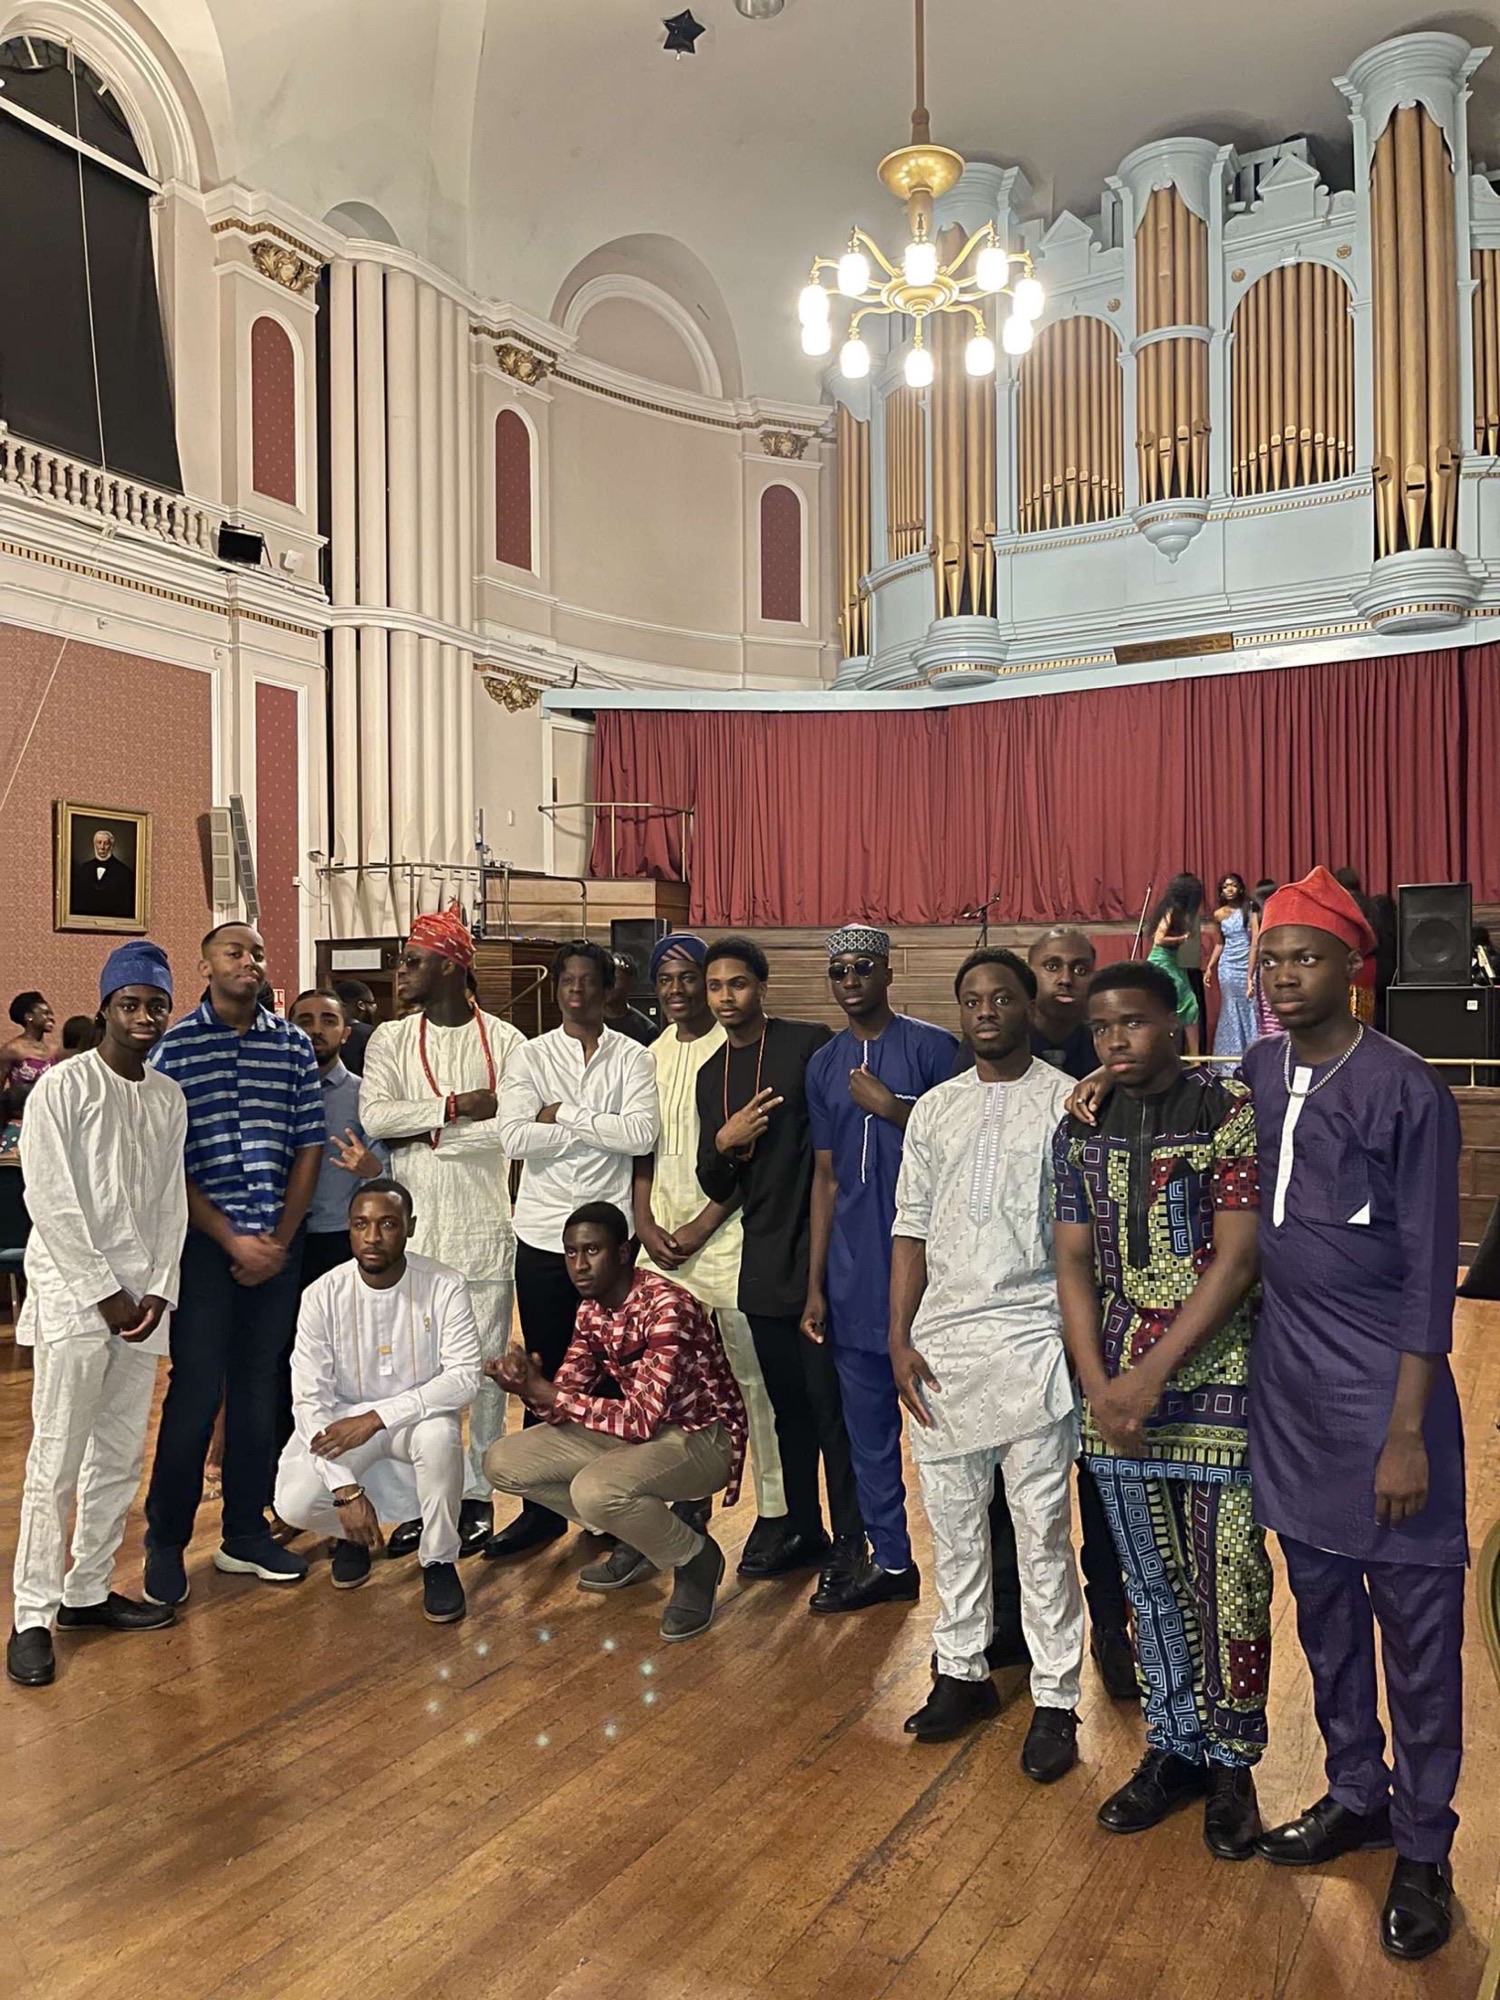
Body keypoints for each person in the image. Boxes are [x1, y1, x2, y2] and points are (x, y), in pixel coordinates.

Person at [1243, 867, 1466, 1963]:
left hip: (1385, 1388)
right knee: (1323, 1611)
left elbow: (1432, 1271)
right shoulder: (1255, 1064)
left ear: (1354, 968)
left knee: (1418, 1633)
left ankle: (1426, 1843)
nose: (1283, 975)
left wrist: (1410, 1428)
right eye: (1270, 956)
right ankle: (1355, 1790)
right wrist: (1092, 1085)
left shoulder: (1406, 1086)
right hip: (1289, 1387)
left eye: (1306, 956)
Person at [1054, 959, 1271, 1861]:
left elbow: (1237, 1258)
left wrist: (1149, 1378)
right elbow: (1071, 1259)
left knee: (1232, 1580)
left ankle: (1233, 1764)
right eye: (1103, 1029)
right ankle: (1174, 1748)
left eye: (1134, 1023)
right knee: (1149, 1581)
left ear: (1175, 1021)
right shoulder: (1082, 1122)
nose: (1116, 1041)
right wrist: (1098, 1379)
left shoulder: (1226, 1114)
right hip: (1111, 1388)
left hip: (1215, 1377)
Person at [890, 950, 1085, 1780]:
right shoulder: (934, 1110)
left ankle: (1055, 1700)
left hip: (1034, 1337)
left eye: (1003, 996)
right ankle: (962, 1671)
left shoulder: (1064, 1103)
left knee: (1041, 1532)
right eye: (972, 999)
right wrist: (898, 1338)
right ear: (959, 1011)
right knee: (957, 1528)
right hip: (942, 1350)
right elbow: (911, 1230)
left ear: (1027, 1004)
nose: (987, 1010)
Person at [6, 942, 187, 1689]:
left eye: (156, 1005)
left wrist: (160, 1291)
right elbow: (48, 1198)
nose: (144, 1018)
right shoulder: (62, 1087)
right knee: (57, 1456)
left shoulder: (167, 1096)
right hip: (77, 1302)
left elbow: (169, 1203)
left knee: (117, 1455)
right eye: (131, 1004)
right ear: (107, 1005)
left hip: (143, 1306)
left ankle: (86, 1591)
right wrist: (102, 1291)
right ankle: (31, 1614)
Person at [141, 922, 325, 1606]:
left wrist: (276, 1238)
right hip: (202, 1247)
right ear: (205, 964)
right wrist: (230, 1238)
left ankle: (245, 1531)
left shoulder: (293, 1045)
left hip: (277, 1246)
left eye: (257, 951)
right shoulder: (174, 1049)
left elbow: (308, 1146)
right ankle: (165, 1540)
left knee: (257, 1393)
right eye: (233, 951)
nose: (249, 960)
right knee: (195, 1396)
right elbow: (168, 1164)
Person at [485, 1202, 747, 1641]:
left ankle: (694, 1559)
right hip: (642, 1436)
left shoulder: (667, 1308)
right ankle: (642, 1536)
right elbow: (567, 1396)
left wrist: (550, 1393)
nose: (579, 1265)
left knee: (595, 1491)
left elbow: (641, 1420)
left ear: (624, 1253)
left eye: (592, 1251)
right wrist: (530, 1388)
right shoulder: (591, 1309)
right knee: (502, 1462)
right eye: (570, 1253)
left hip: (701, 1438)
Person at [358, 906, 526, 1559]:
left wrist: (429, 1133)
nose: (399, 972)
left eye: (412, 960)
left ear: (451, 966)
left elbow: (512, 1128)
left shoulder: (508, 1042)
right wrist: (456, 1109)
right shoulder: (390, 1040)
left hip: (486, 1227)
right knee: (413, 1374)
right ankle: (417, 1497)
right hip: (416, 1235)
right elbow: (378, 1115)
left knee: (481, 1370)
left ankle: (478, 1494)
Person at [695, 937, 864, 1582]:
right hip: (762, 1259)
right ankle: (804, 1528)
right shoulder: (713, 1075)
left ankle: (853, 1538)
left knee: (830, 1409)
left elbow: (839, 1146)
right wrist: (725, 1141)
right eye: (716, 987)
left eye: (738, 984)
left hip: (821, 1252)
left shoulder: (809, 1045)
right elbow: (717, 1183)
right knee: (786, 1408)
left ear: (761, 986)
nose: (726, 998)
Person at [802, 924, 956, 1614]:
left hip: (936, 1274)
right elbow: (827, 1178)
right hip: (852, 1271)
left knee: (950, 1439)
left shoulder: (932, 1047)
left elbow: (968, 1139)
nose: (852, 980)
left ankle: (972, 1582)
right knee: (869, 1436)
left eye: (864, 968)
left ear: (889, 972)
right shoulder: (824, 1063)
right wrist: (814, 1285)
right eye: (840, 972)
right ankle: (892, 1562)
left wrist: (893, 1108)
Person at [491, 939, 659, 1560]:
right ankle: (542, 1511)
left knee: (615, 1375)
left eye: (590, 982)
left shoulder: (634, 1058)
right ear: (557, 988)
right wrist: (594, 1128)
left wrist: (561, 1115)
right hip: (542, 1236)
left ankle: (612, 1506)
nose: (578, 992)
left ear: (608, 990)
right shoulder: (530, 1056)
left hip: (613, 1241)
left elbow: (641, 1133)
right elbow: (513, 1135)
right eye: (569, 982)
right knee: (545, 1368)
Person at [633, 933, 788, 1567]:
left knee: (752, 1382)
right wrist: (642, 1220)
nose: (677, 989)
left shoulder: (742, 1049)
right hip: (659, 1240)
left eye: (689, 977)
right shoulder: (648, 1054)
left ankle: (775, 1513)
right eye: (664, 978)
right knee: (668, 1385)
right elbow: (641, 1148)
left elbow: (757, 1159)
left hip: (728, 1236)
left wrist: (703, 1224)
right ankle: (682, 1504)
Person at [272, 1179, 479, 1625]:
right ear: (347, 1230)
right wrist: (344, 1491)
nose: (372, 1237)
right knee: (295, 1502)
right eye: (360, 1224)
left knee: (441, 1435)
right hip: (344, 1424)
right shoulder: (321, 1296)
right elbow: (307, 1399)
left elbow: (464, 1378)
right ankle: (352, 1536)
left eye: (387, 1224)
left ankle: (439, 1561)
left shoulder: (445, 1285)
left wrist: (379, 1416)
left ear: (410, 1227)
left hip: (417, 1419)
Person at [1207, 872, 1258, 1060]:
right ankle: (1230, 1060)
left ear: (1241, 888)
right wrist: (1210, 966)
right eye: (1225, 886)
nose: (1229, 889)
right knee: (1230, 1008)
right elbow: (1220, 943)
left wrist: (1249, 976)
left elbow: (1255, 942)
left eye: (1233, 885)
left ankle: (1253, 1055)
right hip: (1227, 966)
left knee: (1251, 1006)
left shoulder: (1249, 909)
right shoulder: (1218, 915)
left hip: (1248, 963)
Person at [1147, 892, 1202, 1055]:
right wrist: (1182, 938)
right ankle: (1194, 1056)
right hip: (1162, 961)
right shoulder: (1171, 911)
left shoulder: (1176, 912)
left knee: (1187, 1005)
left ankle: (1192, 1055)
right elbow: (1158, 939)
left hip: (1171, 961)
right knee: (1188, 1004)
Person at [69, 826, 136, 920]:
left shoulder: (124, 873)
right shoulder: (83, 869)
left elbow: (126, 905)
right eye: (99, 843)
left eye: (106, 843)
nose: (102, 847)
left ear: (112, 846)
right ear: (94, 844)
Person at [1, 991, 58, 1090]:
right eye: (46, 1013)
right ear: (29, 1017)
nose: (51, 1018)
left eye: (51, 1014)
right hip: (21, 1105)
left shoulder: (54, 1050)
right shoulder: (13, 1049)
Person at [604, 952, 659, 1047]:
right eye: (605, 978)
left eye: (614, 979)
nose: (608, 985)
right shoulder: (584, 1022)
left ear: (630, 983)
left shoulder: (647, 1029)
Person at [334, 979, 378, 1076]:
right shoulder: (375, 1034)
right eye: (373, 1003)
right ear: (361, 1005)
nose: (375, 1007)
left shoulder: (331, 1035)